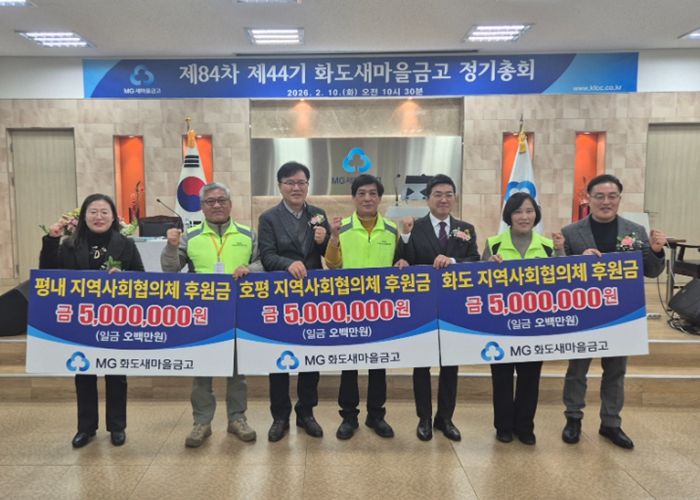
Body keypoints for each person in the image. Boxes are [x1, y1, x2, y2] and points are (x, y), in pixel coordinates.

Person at [561, 174, 666, 450]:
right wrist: (577, 262)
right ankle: (573, 418)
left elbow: (651, 271)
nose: (606, 202)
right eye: (599, 196)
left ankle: (610, 423)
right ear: (588, 199)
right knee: (577, 369)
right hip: (584, 313)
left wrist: (656, 251)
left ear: (619, 198)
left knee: (616, 370)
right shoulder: (571, 232)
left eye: (612, 196)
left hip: (622, 314)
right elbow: (558, 274)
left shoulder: (635, 231)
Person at [39, 194, 145, 448]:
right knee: (84, 374)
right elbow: (48, 274)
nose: (99, 217)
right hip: (82, 320)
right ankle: (85, 428)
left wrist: (124, 277)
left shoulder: (126, 244)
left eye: (104, 212)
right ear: (84, 216)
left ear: (113, 216)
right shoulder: (69, 244)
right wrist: (51, 240)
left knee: (116, 375)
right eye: (93, 212)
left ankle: (117, 427)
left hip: (114, 319)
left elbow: (141, 278)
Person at [161, 182, 260, 448]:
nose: (216, 205)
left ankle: (237, 419)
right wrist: (170, 247)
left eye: (221, 200)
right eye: (210, 201)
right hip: (203, 314)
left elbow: (263, 262)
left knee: (237, 372)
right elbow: (170, 270)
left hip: (239, 312)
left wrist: (250, 269)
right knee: (202, 370)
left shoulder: (247, 234)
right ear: (202, 207)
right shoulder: (190, 237)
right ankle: (201, 422)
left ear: (230, 204)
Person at [395, 174, 479, 442]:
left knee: (450, 366)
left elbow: (474, 262)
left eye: (449, 194)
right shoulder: (414, 227)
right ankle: (424, 418)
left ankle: (445, 418)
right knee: (422, 366)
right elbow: (402, 260)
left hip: (454, 309)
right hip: (422, 309)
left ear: (455, 198)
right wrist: (404, 244)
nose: (444, 199)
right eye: (438, 195)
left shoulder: (466, 228)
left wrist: (452, 260)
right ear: (428, 198)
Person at [482, 192, 565, 445]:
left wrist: (560, 251)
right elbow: (479, 283)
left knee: (530, 378)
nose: (524, 216)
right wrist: (488, 265)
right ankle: (503, 426)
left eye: (529, 211)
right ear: (509, 215)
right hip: (500, 324)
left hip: (534, 324)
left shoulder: (548, 245)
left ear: (536, 214)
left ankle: (525, 426)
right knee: (502, 378)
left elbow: (562, 280)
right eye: (518, 211)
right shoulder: (494, 244)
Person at [257, 161, 331, 442]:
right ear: (280, 186)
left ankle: (306, 412)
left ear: (308, 185)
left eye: (301, 182)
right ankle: (279, 416)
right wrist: (288, 264)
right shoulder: (269, 218)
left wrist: (325, 240)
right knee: (278, 358)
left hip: (312, 296)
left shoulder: (318, 215)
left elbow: (330, 255)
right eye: (290, 183)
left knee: (311, 357)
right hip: (281, 296)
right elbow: (267, 256)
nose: (296, 188)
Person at [325, 174, 398, 440]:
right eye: (362, 194)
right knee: (350, 365)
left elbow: (399, 261)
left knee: (378, 365)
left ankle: (376, 415)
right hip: (350, 308)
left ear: (379, 198)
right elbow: (332, 265)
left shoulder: (392, 229)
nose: (367, 198)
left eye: (373, 194)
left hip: (381, 308)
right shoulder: (341, 227)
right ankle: (349, 416)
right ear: (353, 198)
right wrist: (333, 238)